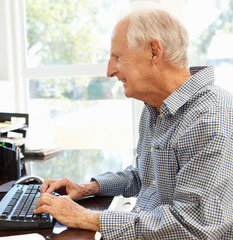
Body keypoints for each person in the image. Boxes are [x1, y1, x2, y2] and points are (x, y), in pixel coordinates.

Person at [34, 3, 233, 239]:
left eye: (117, 57)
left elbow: (193, 226)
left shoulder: (209, 118)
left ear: (153, 51)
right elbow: (144, 176)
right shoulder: (155, 107)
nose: (109, 71)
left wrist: (86, 217)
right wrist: (87, 188)